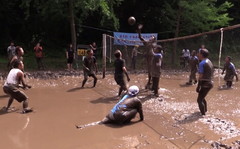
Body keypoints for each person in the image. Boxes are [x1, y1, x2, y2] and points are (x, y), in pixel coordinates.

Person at [137, 24, 156, 89]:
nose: (151, 37)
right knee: (149, 70)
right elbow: (140, 37)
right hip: (148, 57)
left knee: (152, 70)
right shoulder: (146, 42)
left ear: (154, 40)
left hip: (153, 58)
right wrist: (139, 30)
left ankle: (152, 83)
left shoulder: (154, 44)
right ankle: (150, 82)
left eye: (152, 37)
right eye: (151, 37)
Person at [196, 49, 213, 115]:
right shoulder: (209, 61)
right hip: (210, 82)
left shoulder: (202, 63)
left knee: (199, 100)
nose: (198, 54)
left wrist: (198, 86)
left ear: (201, 55)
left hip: (205, 83)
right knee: (202, 97)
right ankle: (205, 110)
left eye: (199, 53)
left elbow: (201, 76)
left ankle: (203, 115)